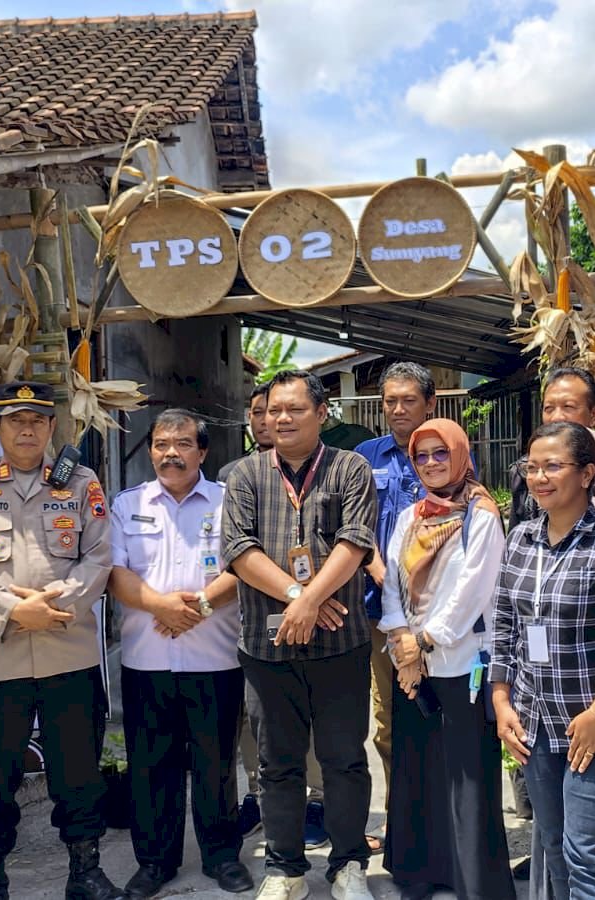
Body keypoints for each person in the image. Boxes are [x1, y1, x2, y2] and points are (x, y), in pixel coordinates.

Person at [0, 381, 120, 900]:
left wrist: (55, 606)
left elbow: (99, 557)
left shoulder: (82, 484)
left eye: (37, 420)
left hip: (70, 652)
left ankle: (85, 871)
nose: (26, 429)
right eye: (15, 419)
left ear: (51, 427)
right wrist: (18, 610)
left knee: (79, 770)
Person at [222, 369, 378, 900]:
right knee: (277, 763)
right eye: (272, 410)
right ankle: (284, 868)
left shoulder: (350, 468)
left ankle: (348, 864)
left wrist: (311, 602)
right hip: (268, 648)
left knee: (344, 759)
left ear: (321, 413)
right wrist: (299, 599)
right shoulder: (244, 475)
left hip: (341, 644)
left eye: (293, 409)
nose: (280, 419)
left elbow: (355, 542)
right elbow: (240, 552)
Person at [492, 422, 595, 900]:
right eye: (532, 467)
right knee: (554, 846)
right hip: (537, 725)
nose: (539, 477)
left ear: (587, 474)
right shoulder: (521, 539)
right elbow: (505, 625)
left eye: (553, 466)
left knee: (589, 854)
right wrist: (503, 701)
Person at [109, 410, 256, 899]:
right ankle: (155, 862)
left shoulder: (228, 500)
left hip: (214, 659)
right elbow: (114, 571)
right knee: (152, 766)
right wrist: (161, 607)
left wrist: (202, 606)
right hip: (147, 659)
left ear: (203, 452)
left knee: (216, 764)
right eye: (161, 444)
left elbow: (245, 565)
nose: (171, 453)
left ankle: (221, 856)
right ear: (150, 450)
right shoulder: (127, 505)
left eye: (183, 444)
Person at [378, 418, 515, 900]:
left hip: (461, 660)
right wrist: (400, 640)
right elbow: (392, 580)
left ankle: (473, 881)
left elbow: (474, 587)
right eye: (422, 456)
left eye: (441, 454)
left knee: (466, 773)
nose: (432, 464)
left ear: (460, 454)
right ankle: (419, 872)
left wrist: (426, 641)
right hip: (413, 663)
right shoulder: (411, 516)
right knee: (416, 769)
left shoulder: (481, 514)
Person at [354, 361, 439, 856]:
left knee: (439, 712)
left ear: (429, 403)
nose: (398, 409)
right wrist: (376, 567)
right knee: (388, 721)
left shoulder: (444, 450)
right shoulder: (366, 458)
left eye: (409, 400)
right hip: (379, 611)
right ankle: (402, 821)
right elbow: (354, 526)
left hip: (439, 616)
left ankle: (440, 819)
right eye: (390, 401)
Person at [506, 366, 595, 533]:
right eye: (549, 408)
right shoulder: (526, 471)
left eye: (568, 407)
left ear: (594, 414)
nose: (557, 417)